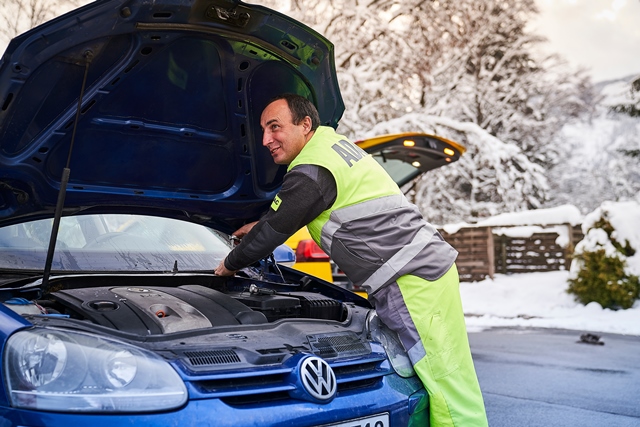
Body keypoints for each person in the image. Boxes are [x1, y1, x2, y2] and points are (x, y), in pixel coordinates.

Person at [214, 93, 488, 426]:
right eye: (262, 130)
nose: (265, 140)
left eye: (275, 127)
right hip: (421, 269)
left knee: (446, 381)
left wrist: (227, 265)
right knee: (440, 375)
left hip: (410, 279)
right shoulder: (330, 148)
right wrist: (257, 226)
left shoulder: (310, 170)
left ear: (305, 124)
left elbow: (276, 229)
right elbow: (297, 211)